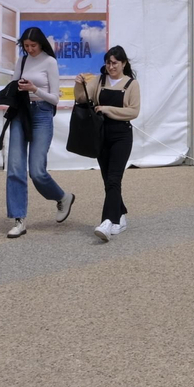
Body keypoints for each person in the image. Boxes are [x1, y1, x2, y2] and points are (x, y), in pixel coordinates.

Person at [4, 27, 75, 238]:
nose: (29, 49)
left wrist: (34, 89)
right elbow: (13, 85)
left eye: (33, 46)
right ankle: (19, 219)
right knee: (15, 167)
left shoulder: (50, 62)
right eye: (25, 46)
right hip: (21, 113)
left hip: (42, 113)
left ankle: (63, 197)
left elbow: (55, 99)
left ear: (41, 44)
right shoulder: (22, 60)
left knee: (37, 171)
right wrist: (18, 87)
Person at [78, 46, 140, 242]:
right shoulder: (100, 80)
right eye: (108, 62)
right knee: (107, 179)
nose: (111, 66)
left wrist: (107, 109)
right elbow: (82, 98)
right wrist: (79, 84)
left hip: (121, 135)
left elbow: (133, 112)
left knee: (114, 178)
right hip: (101, 134)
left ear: (123, 64)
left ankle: (107, 221)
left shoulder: (131, 84)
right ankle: (120, 214)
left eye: (115, 63)